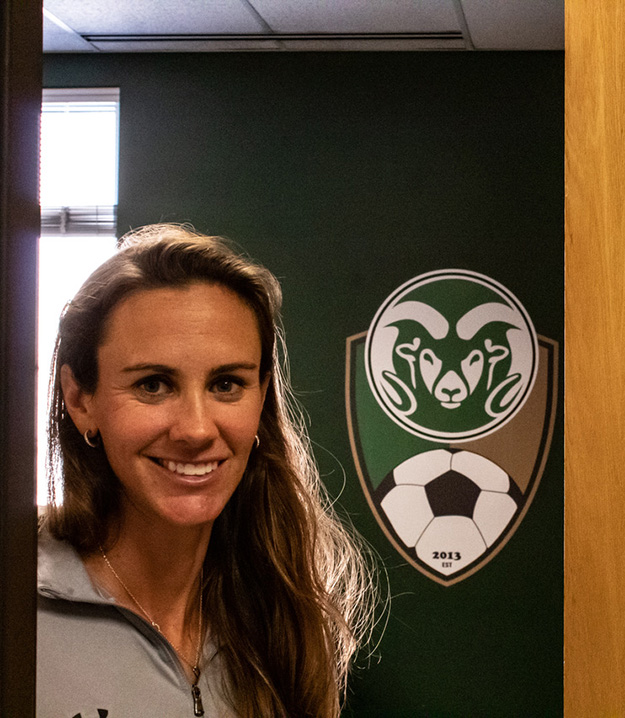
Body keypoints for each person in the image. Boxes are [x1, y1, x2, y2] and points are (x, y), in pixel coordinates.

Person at [37, 224, 381, 718]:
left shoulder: (284, 618)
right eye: (153, 385)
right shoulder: (19, 604)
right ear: (79, 400)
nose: (197, 430)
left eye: (226, 383)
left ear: (262, 397)